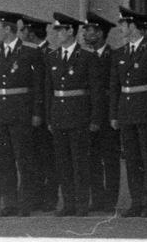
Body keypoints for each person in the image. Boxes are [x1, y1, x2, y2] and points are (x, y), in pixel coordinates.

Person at [110, 6, 147, 218]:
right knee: (132, 159)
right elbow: (115, 86)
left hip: (146, 111)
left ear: (133, 26)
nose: (121, 28)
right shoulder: (120, 53)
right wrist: (114, 114)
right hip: (127, 112)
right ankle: (136, 201)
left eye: (123, 24)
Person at [0, 9, 44, 217]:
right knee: (4, 159)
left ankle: (26, 202)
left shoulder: (30, 51)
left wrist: (37, 112)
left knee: (24, 158)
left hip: (21, 110)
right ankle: (9, 202)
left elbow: (38, 85)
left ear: (7, 29)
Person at [45, 13, 104, 216]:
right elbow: (49, 90)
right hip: (59, 115)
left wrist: (95, 118)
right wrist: (49, 117)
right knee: (63, 162)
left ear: (71, 31)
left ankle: (81, 203)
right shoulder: (52, 56)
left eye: (61, 30)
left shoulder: (87, 56)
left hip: (79, 114)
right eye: (56, 31)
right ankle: (68, 203)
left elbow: (96, 90)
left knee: (80, 162)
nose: (57, 34)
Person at [81, 11, 120, 213]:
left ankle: (110, 199)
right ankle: (96, 198)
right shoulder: (83, 56)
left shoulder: (113, 56)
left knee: (110, 158)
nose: (85, 34)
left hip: (107, 112)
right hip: (87, 112)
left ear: (101, 33)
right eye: (86, 30)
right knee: (91, 158)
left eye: (90, 30)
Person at [20, 14, 57, 212]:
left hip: (46, 112)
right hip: (30, 111)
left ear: (30, 33)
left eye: (23, 30)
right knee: (33, 156)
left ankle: (50, 197)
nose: (21, 34)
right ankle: (36, 196)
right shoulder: (29, 52)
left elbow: (46, 86)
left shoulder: (48, 53)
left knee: (48, 157)